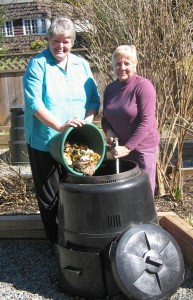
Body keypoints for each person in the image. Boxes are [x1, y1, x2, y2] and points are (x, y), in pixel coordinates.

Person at [23, 17, 100, 244]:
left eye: (65, 41)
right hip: (45, 140)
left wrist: (86, 121)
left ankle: (77, 239)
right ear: (48, 40)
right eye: (55, 40)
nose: (60, 46)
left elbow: (94, 100)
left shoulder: (81, 65)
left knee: (77, 190)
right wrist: (59, 126)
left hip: (76, 141)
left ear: (72, 42)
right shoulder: (38, 64)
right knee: (50, 195)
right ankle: (56, 244)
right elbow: (34, 103)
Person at [101, 45, 159, 195]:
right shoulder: (110, 89)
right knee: (125, 193)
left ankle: (146, 219)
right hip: (119, 150)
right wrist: (109, 133)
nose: (122, 67)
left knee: (143, 192)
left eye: (127, 63)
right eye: (118, 63)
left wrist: (128, 148)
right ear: (113, 66)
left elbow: (147, 121)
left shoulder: (143, 86)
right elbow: (104, 118)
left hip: (142, 150)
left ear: (134, 64)